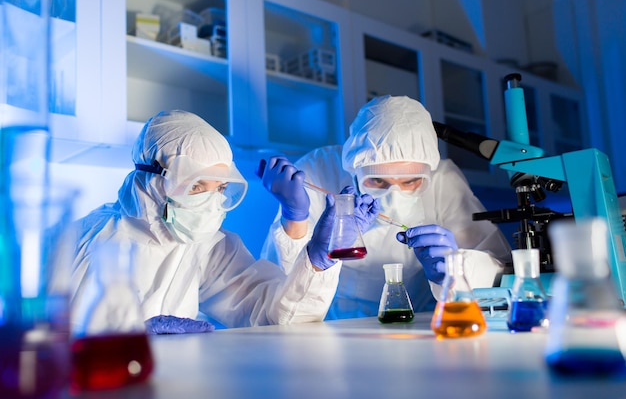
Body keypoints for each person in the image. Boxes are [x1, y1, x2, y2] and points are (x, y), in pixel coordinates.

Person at [66, 110, 343, 334]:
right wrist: (124, 342)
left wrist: (317, 261)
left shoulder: (207, 247)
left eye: (220, 188)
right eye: (197, 186)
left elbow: (272, 317)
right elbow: (43, 345)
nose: (211, 202)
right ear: (152, 181)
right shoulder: (87, 240)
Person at [260, 95, 512, 319]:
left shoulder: (444, 181)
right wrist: (294, 218)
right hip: (328, 323)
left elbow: (502, 280)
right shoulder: (319, 169)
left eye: (411, 181)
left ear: (428, 172)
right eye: (378, 181)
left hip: (416, 322)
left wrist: (456, 267)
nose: (393, 197)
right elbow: (278, 285)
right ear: (353, 171)